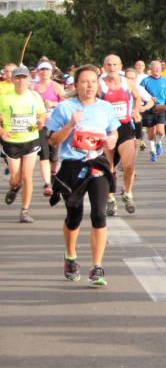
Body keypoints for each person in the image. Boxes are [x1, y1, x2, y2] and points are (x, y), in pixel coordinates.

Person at [46, 65, 120, 287]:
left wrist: (112, 139)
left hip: (97, 165)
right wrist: (71, 124)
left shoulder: (105, 107)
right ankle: (70, 257)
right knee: (74, 217)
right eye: (85, 81)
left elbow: (113, 131)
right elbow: (53, 141)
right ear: (75, 85)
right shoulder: (65, 108)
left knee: (99, 215)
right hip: (72, 167)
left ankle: (97, 266)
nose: (90, 85)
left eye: (93, 82)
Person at [0, 66, 45, 222]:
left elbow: (42, 113)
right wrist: (1, 131)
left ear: (28, 80)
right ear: (12, 80)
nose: (20, 81)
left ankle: (24, 211)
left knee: (27, 175)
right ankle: (14, 188)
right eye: (17, 78)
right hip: (12, 142)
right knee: (16, 179)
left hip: (31, 140)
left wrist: (40, 123)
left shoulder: (34, 95)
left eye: (23, 78)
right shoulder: (4, 97)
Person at [100, 55, 143, 216]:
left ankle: (128, 194)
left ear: (121, 66)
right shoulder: (100, 85)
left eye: (115, 65)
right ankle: (110, 199)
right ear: (104, 67)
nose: (112, 68)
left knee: (129, 165)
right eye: (109, 65)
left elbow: (137, 97)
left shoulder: (127, 82)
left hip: (125, 127)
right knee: (108, 167)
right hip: (107, 130)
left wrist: (135, 110)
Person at [31, 60, 66, 197]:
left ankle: (53, 171)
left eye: (47, 70)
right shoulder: (33, 87)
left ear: (51, 72)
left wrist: (53, 103)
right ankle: (47, 184)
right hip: (40, 124)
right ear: (38, 72)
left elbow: (66, 104)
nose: (44, 72)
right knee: (44, 154)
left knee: (53, 156)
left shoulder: (56, 86)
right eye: (42, 70)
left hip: (55, 125)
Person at [139, 61, 166, 160]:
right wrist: (148, 98)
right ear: (151, 69)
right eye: (155, 68)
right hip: (149, 108)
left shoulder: (165, 80)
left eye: (159, 68)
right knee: (151, 132)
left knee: (160, 131)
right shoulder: (145, 81)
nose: (157, 70)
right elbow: (139, 94)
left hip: (161, 108)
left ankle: (159, 142)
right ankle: (153, 152)